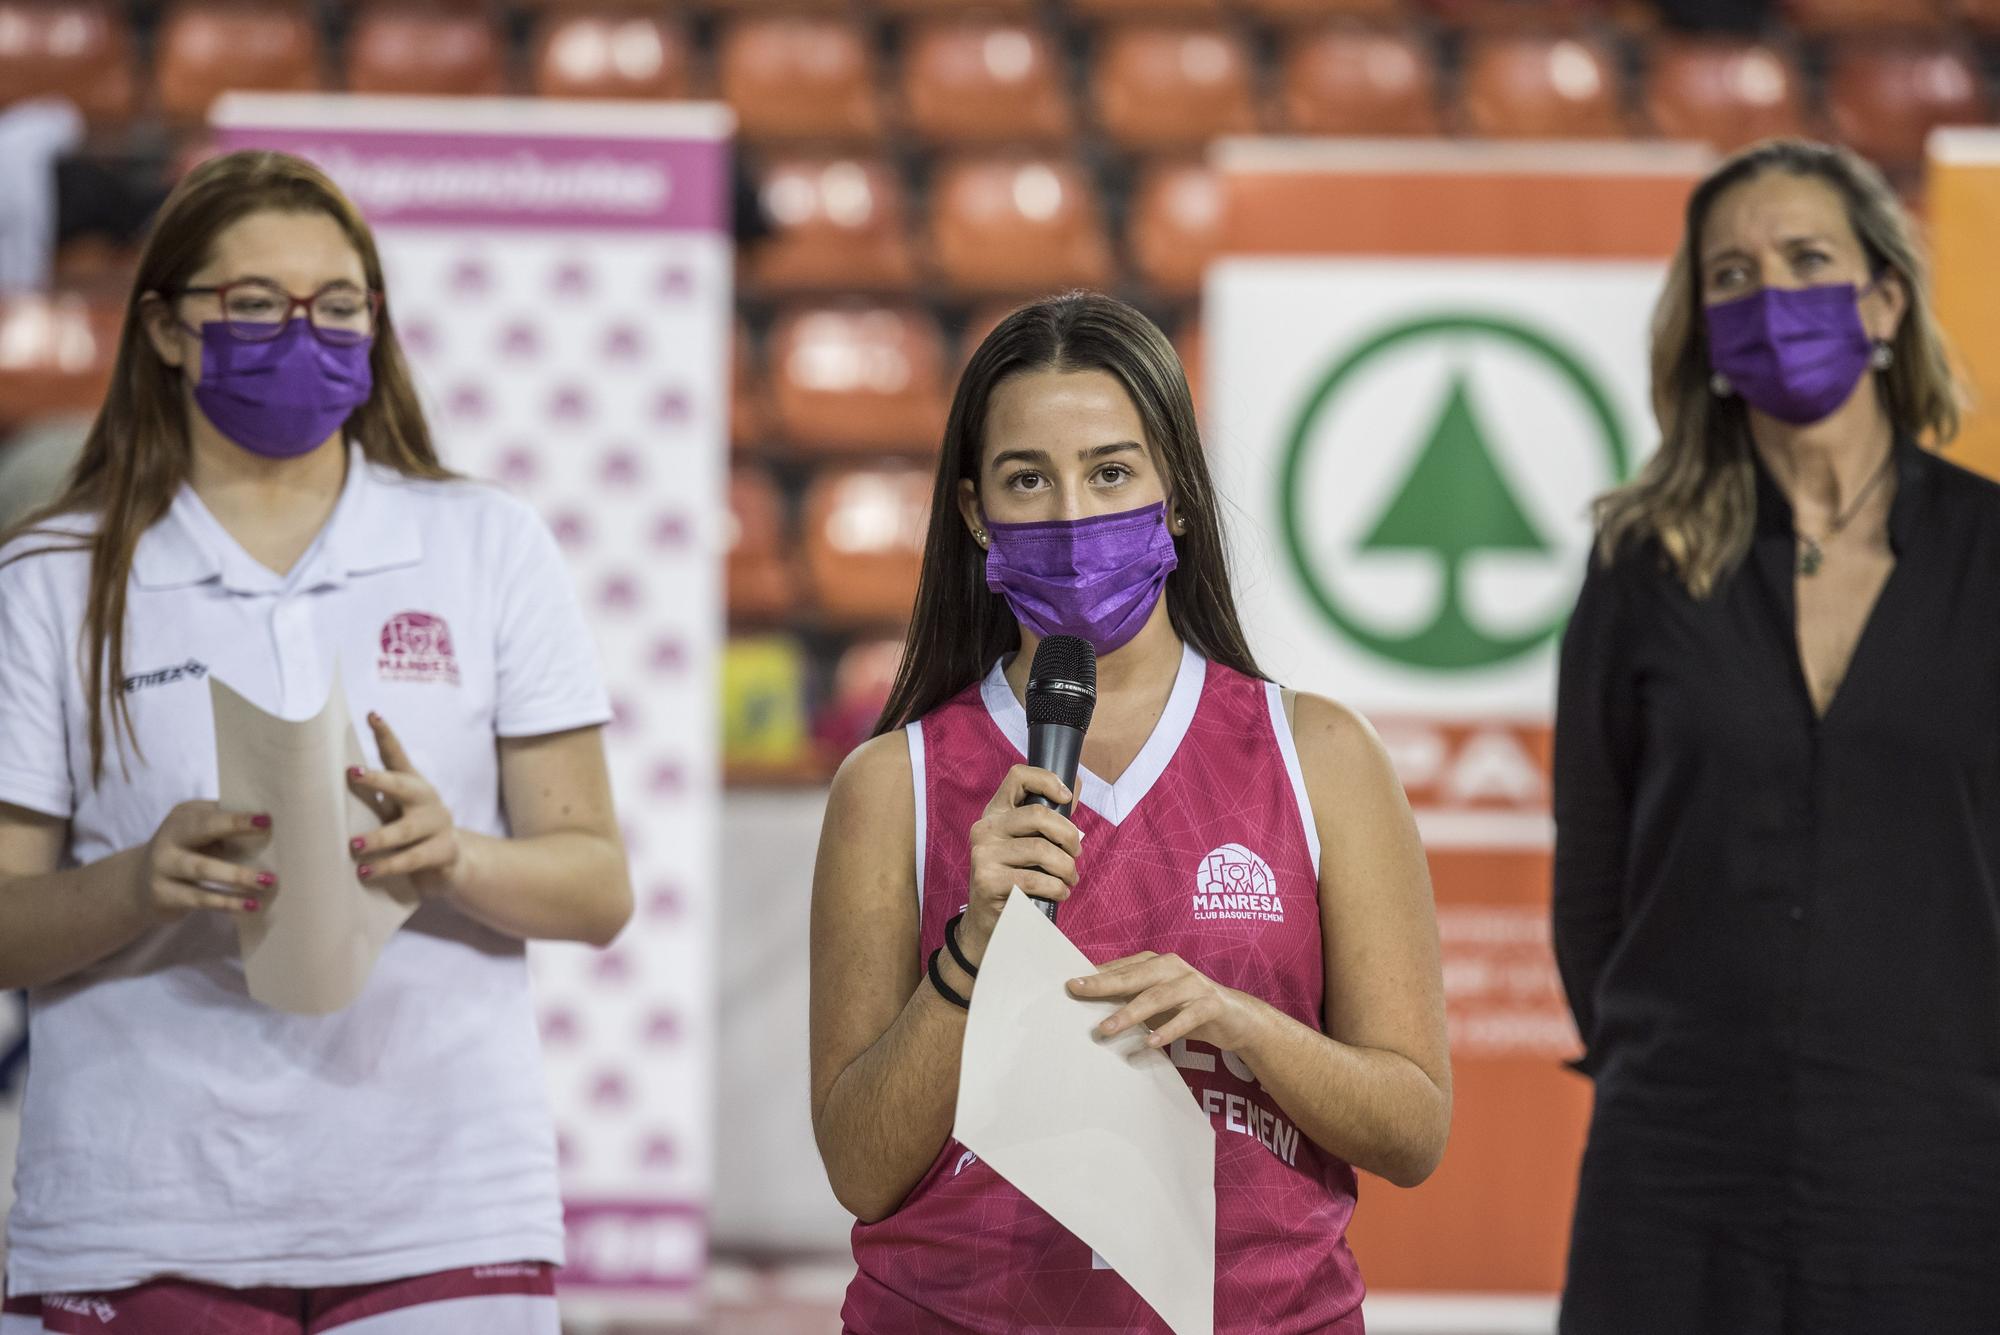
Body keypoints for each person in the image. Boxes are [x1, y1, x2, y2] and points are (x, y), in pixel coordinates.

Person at [0, 150, 631, 1334]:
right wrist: (139, 884)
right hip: (138, 1214)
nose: (302, 334)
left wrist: (457, 860)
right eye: (251, 305)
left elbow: (596, 888)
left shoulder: (487, 543)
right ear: (167, 330)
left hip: (448, 1210)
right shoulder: (49, 577)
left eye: (338, 306)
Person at [809, 292, 1451, 1333]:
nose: (1070, 517)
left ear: (1177, 498)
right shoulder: (893, 781)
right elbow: (859, 1166)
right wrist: (974, 949)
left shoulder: (1320, 754)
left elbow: (1412, 1129)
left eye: (1110, 472)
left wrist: (1239, 1022)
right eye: (1028, 479)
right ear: (974, 514)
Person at [1553, 137, 2000, 1335]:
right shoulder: (1636, 563)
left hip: (1944, 1165)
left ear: (1885, 299)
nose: (1771, 297)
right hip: (1676, 1161)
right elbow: (1590, 871)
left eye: (1807, 259)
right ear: (1700, 327)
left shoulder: (1988, 551)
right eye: (1732, 276)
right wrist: (1659, 1062)